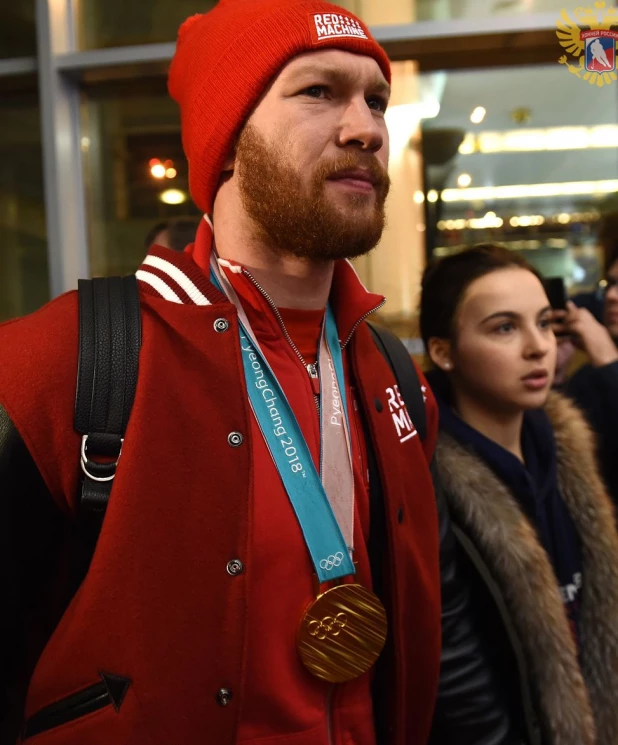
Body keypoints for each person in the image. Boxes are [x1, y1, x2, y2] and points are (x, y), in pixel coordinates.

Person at [0, 3, 515, 745]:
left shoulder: (392, 374)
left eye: (376, 99)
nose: (367, 127)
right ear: (229, 140)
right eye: (319, 92)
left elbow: (438, 616)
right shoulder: (68, 360)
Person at [420, 243, 618, 745]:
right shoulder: (428, 480)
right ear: (443, 351)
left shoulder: (565, 444)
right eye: (504, 327)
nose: (538, 347)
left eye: (546, 323)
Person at [562, 251, 618, 504]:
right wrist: (556, 372)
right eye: (610, 284)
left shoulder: (603, 366)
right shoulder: (589, 378)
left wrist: (608, 362)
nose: (612, 296)